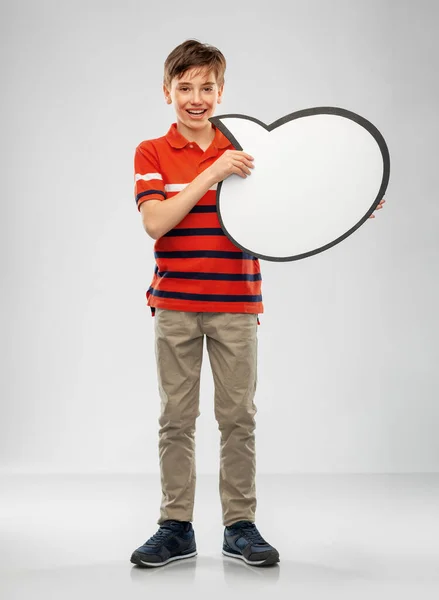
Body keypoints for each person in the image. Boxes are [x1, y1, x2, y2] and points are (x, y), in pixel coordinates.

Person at [130, 39, 386, 570]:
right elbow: (155, 221)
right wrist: (212, 172)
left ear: (221, 91)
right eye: (185, 88)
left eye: (206, 87)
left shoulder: (249, 146)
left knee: (238, 418)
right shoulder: (151, 152)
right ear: (167, 92)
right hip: (175, 303)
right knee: (176, 419)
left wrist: (352, 201)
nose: (196, 98)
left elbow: (295, 202)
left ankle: (239, 526)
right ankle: (175, 527)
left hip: (236, 303)